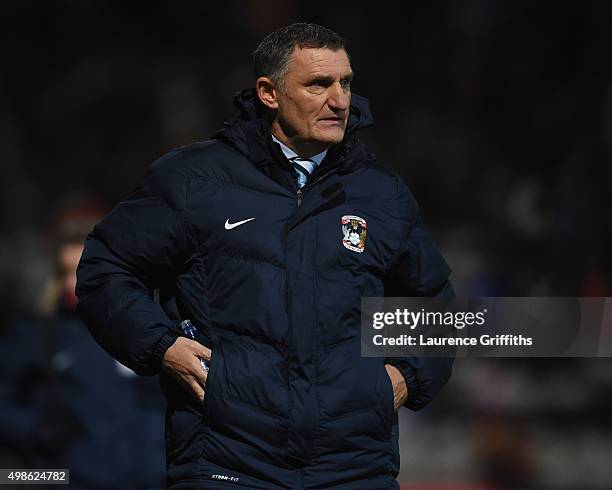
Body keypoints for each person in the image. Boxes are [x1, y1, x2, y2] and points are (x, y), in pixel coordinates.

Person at [76, 23, 455, 489]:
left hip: (355, 466)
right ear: (269, 93)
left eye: (346, 82)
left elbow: (438, 304)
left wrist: (401, 379)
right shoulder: (193, 179)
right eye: (319, 84)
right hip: (226, 460)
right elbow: (105, 268)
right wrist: (163, 346)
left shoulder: (380, 191)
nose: (340, 100)